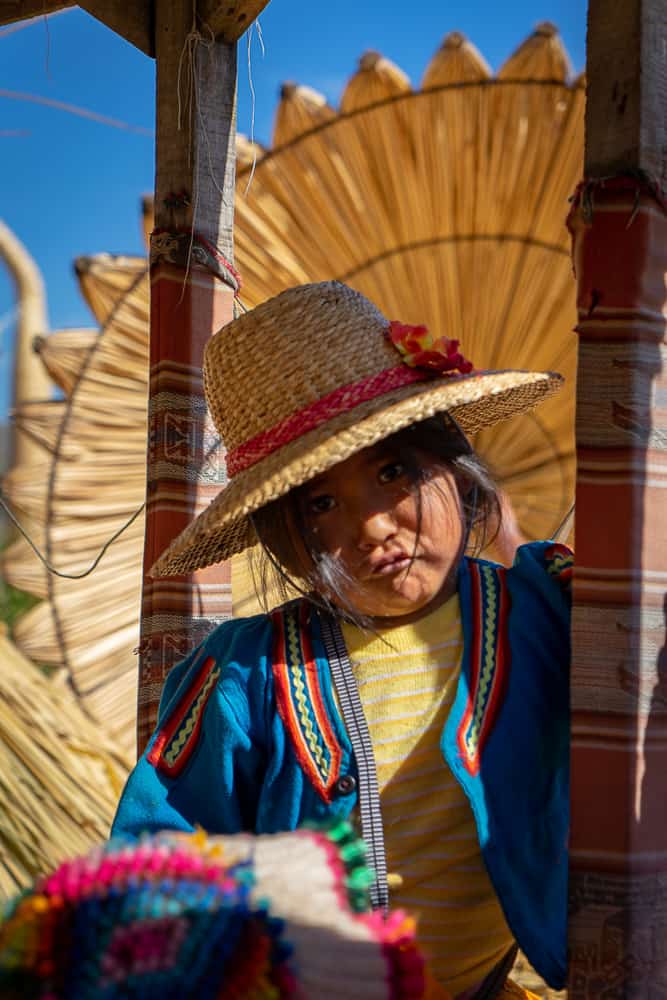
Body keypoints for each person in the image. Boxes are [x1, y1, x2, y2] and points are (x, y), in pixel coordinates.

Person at [112, 281, 572, 1000]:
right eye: (320, 504)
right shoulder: (244, 673)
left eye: (393, 472)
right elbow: (160, 852)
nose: (370, 527)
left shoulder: (541, 606)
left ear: (454, 465)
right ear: (282, 539)